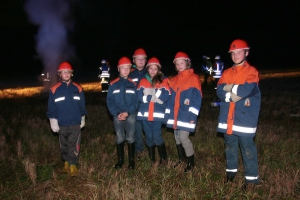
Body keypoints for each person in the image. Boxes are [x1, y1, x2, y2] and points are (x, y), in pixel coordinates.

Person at [216, 39, 261, 190]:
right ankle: (231, 174)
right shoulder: (227, 72)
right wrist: (231, 95)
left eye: (239, 52)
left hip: (245, 119)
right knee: (230, 146)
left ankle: (251, 181)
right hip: (228, 118)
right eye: (233, 53)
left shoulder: (252, 72)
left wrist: (230, 88)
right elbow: (220, 91)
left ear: (246, 53)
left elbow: (246, 90)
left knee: (247, 149)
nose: (235, 56)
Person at [47, 61, 87, 176]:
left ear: (71, 73)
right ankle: (66, 162)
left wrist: (82, 117)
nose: (66, 74)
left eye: (68, 72)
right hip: (62, 122)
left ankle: (73, 164)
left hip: (75, 122)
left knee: (73, 144)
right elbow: (51, 107)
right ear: (59, 74)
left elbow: (82, 106)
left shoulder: (78, 88)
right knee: (63, 144)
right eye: (63, 72)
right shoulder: (54, 89)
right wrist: (53, 120)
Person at [166, 52, 202, 172]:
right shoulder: (174, 80)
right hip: (175, 116)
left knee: (184, 138)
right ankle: (182, 160)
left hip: (186, 115)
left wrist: (193, 116)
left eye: (182, 63)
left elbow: (197, 100)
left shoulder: (193, 78)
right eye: (177, 63)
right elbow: (170, 100)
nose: (180, 65)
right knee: (177, 138)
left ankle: (191, 163)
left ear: (187, 63)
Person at [136, 57, 171, 166]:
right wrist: (152, 96)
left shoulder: (164, 81)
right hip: (145, 116)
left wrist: (150, 93)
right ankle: (152, 159)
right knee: (149, 137)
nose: (152, 71)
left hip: (157, 116)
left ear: (159, 70)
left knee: (157, 136)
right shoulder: (142, 81)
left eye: (155, 69)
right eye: (150, 68)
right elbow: (139, 96)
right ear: (147, 69)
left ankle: (164, 159)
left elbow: (166, 96)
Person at [106, 57, 139, 170]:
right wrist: (116, 113)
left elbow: (136, 101)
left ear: (130, 69)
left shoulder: (133, 84)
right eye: (123, 68)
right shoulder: (113, 84)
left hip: (130, 115)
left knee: (130, 137)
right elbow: (109, 101)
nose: (125, 70)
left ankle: (131, 161)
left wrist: (128, 112)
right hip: (117, 115)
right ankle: (120, 160)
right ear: (118, 69)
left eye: (128, 68)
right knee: (119, 137)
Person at [129, 48, 148, 156]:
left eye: (143, 59)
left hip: (147, 105)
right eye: (138, 59)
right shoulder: (130, 74)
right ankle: (139, 150)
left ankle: (151, 147)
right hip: (135, 106)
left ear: (146, 60)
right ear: (134, 60)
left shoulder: (150, 72)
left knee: (148, 127)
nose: (140, 61)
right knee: (137, 128)